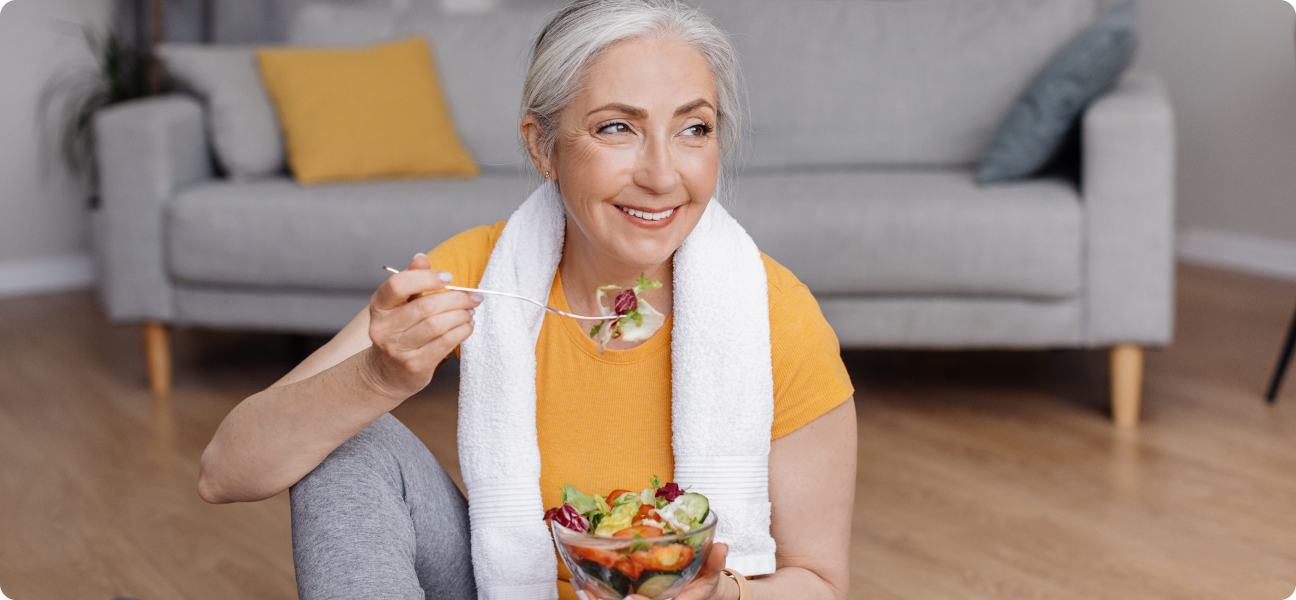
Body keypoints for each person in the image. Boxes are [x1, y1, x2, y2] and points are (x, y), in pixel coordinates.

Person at [196, 1, 856, 598]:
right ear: (543, 147)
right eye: (618, 128)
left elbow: (821, 583)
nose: (661, 175)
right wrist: (374, 377)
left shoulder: (774, 313)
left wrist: (722, 597)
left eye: (694, 130)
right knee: (344, 440)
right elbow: (224, 473)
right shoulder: (477, 271)